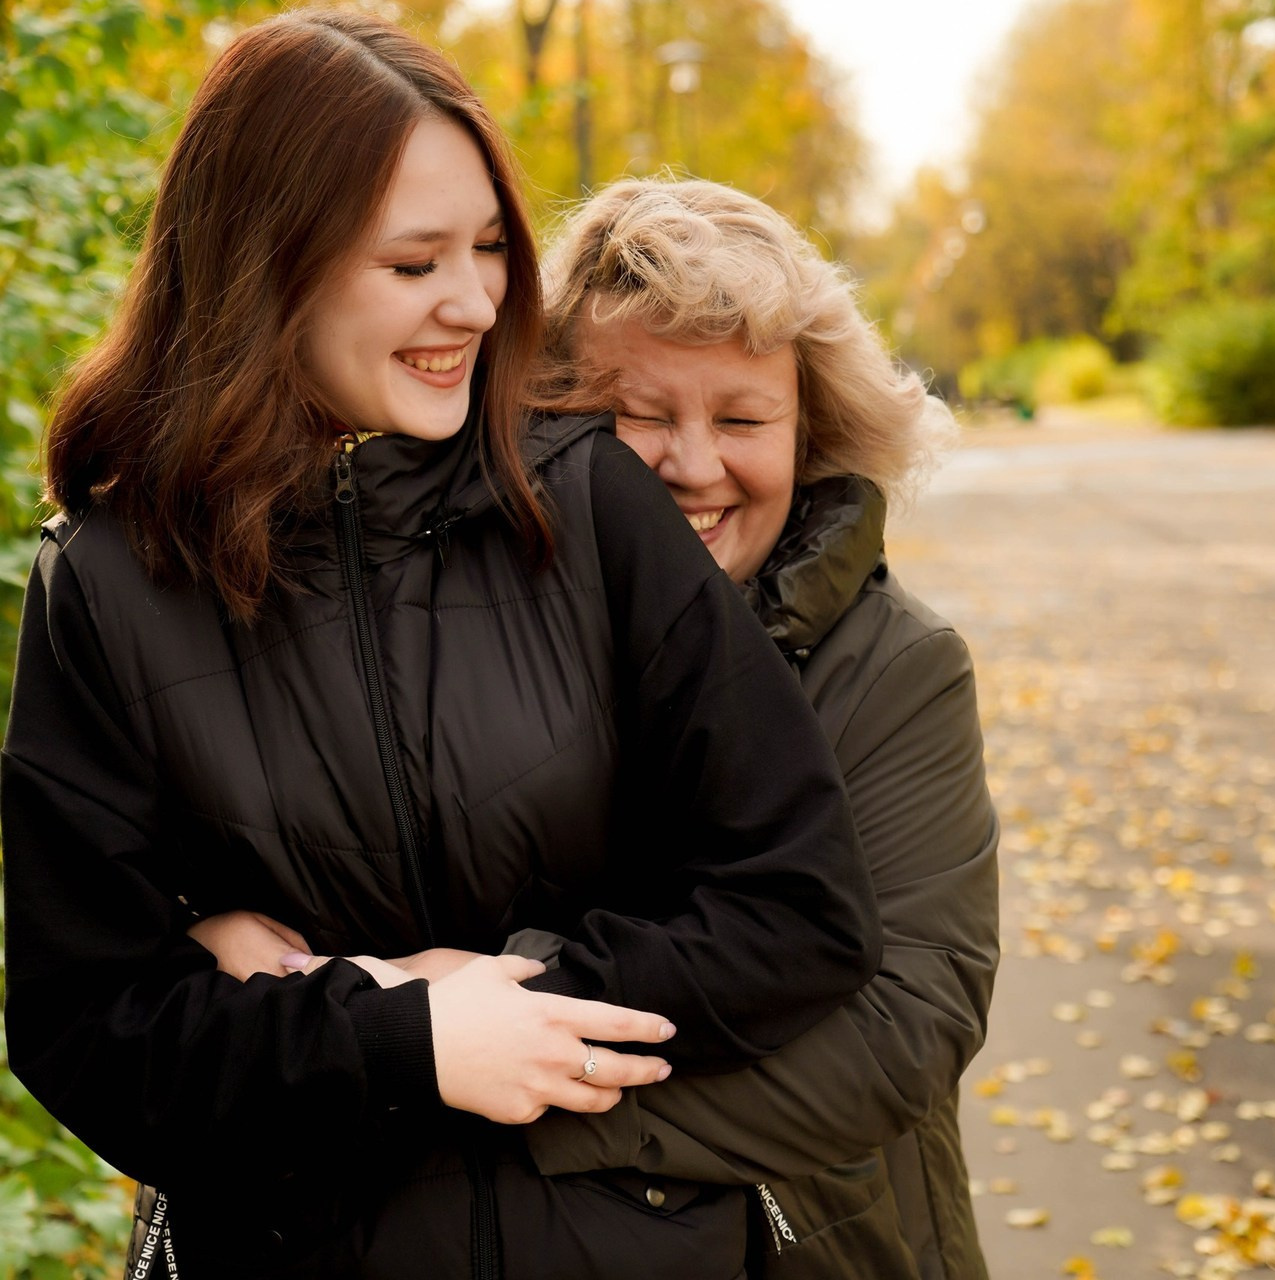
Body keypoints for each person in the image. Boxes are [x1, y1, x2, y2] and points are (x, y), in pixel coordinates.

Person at [0, 18, 884, 1280]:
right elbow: (91, 1031)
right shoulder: (106, 583)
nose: (472, 300)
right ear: (267, 268)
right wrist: (394, 1038)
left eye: (484, 247)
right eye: (413, 262)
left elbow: (800, 908)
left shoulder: (588, 504)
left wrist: (500, 996)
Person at [519, 177, 1001, 1280]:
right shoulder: (485, 642)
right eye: (638, 416)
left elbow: (898, 1033)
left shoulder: (895, 668)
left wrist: (507, 1088)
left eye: (741, 419)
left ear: (811, 427)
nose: (694, 466)